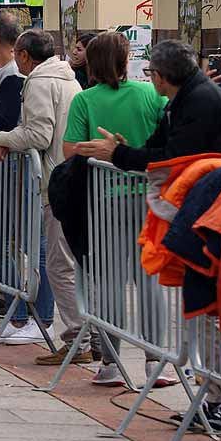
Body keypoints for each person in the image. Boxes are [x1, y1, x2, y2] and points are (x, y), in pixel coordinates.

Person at [74, 41, 221, 428]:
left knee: (205, 312)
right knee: (186, 301)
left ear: (159, 76)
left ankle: (214, 398)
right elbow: (159, 146)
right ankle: (205, 393)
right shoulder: (182, 98)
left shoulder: (200, 102)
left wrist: (118, 155)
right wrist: (126, 151)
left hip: (206, 217)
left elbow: (173, 155)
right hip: (192, 213)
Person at [59, 32, 169, 383]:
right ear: (125, 61)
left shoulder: (86, 100)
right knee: (148, 279)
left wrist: (99, 150)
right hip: (149, 197)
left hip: (104, 199)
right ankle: (155, 360)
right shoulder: (151, 95)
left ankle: (110, 363)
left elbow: (69, 151)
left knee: (108, 280)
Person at [0, 30, 80, 350]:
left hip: (53, 179)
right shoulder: (67, 79)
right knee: (55, 259)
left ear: (24, 55)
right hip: (64, 177)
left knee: (54, 261)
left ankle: (63, 330)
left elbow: (38, 134)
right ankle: (59, 328)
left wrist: (1, 139)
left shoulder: (38, 81)